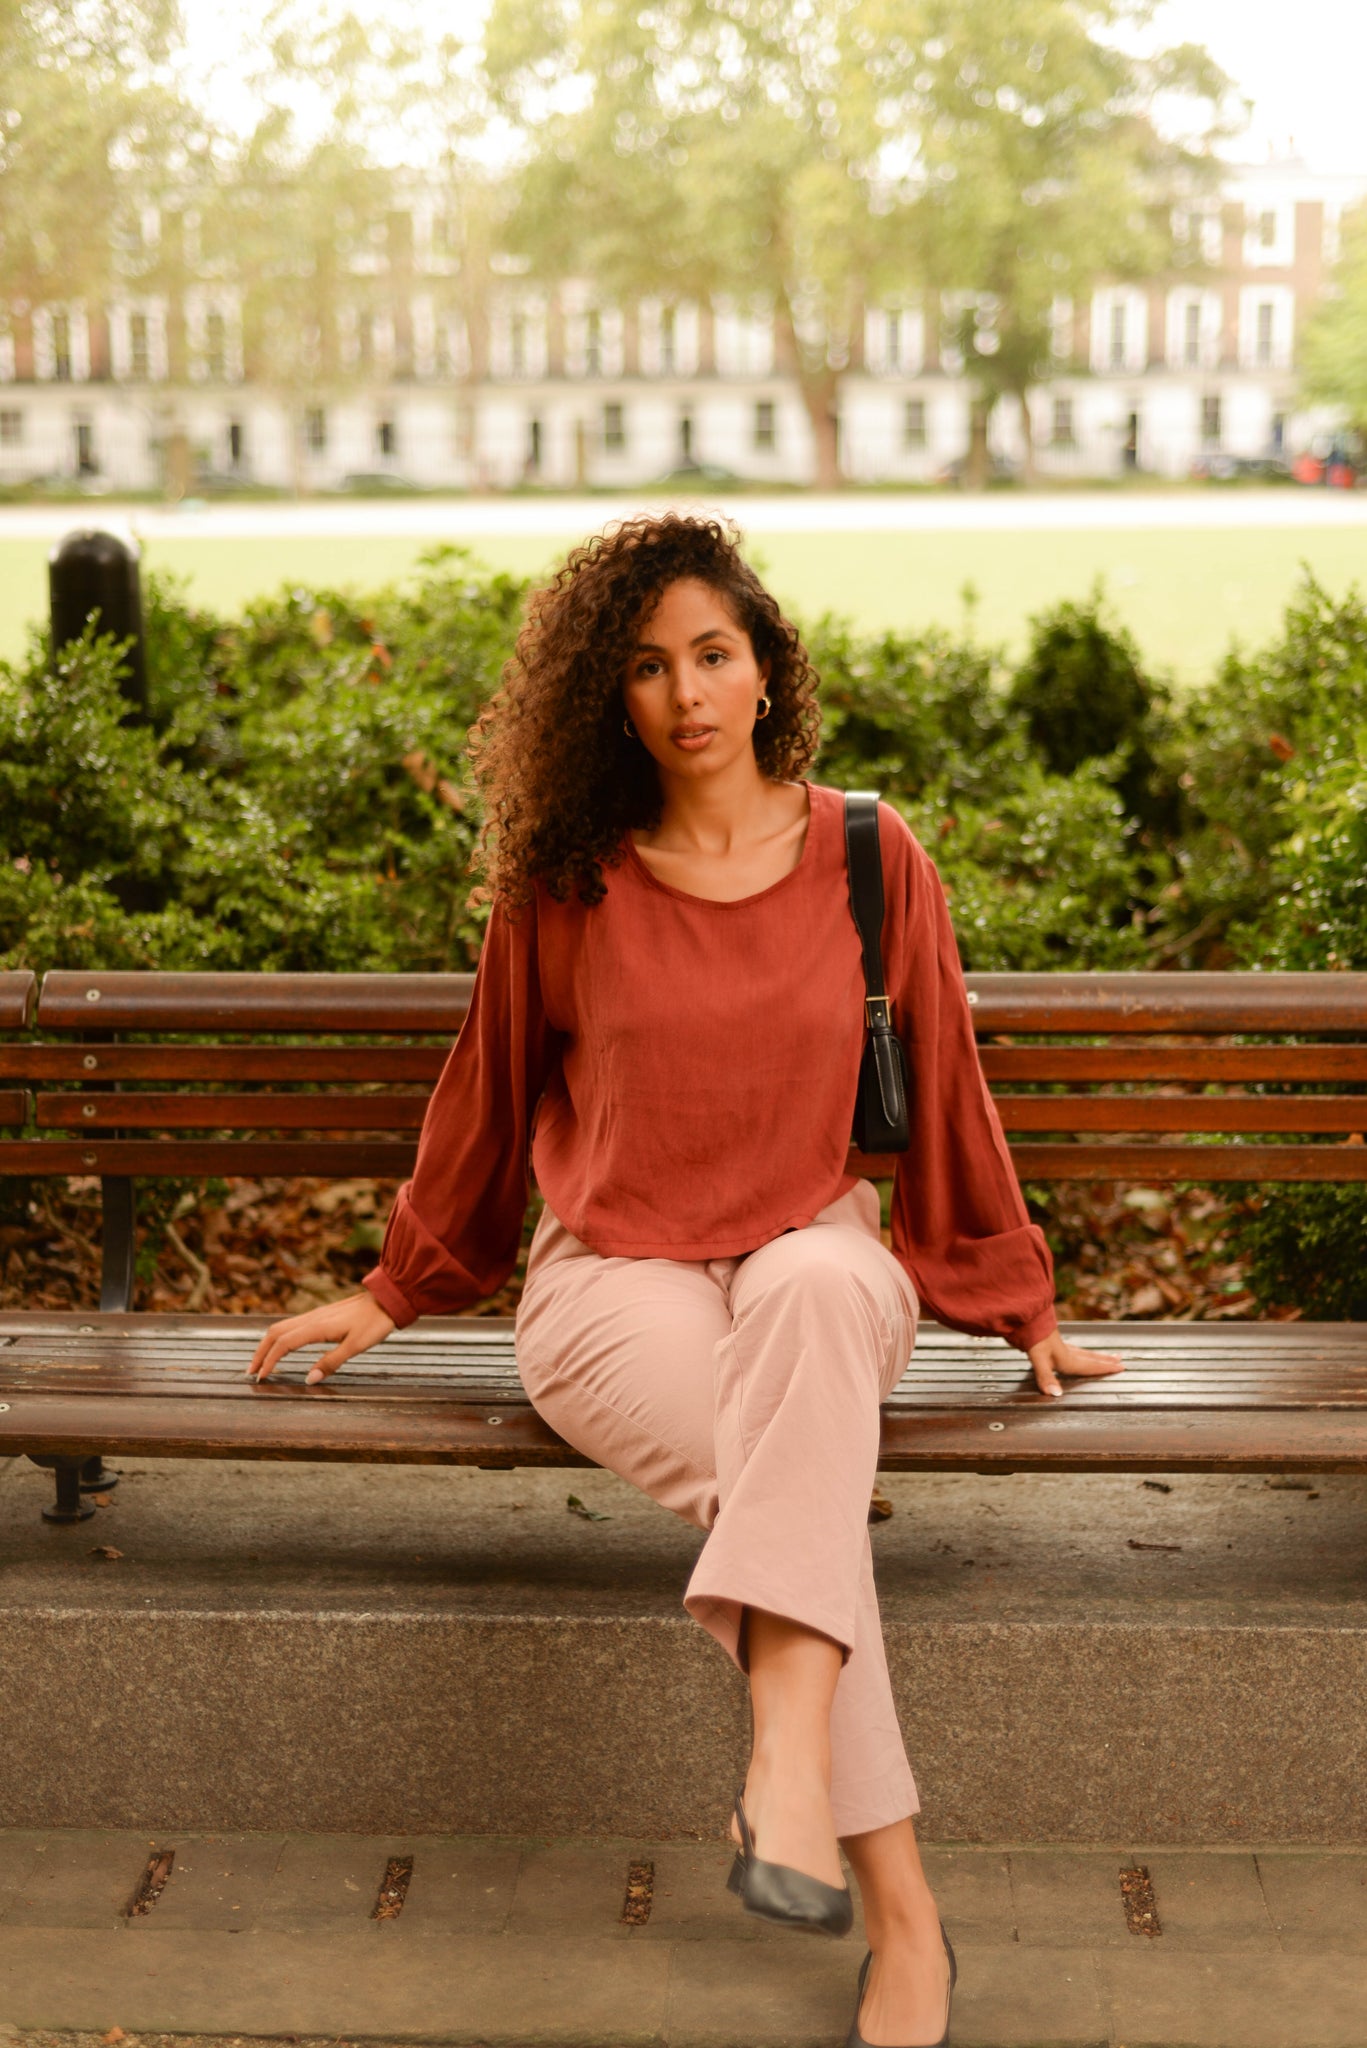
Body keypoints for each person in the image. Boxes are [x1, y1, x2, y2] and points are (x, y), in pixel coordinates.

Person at [249, 514, 1124, 2048]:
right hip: (614, 1278)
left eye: (713, 654)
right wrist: (396, 1286)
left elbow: (952, 1082)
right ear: (612, 697)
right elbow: (489, 1084)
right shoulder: (570, 881)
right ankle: (904, 1924)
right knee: (794, 1495)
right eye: (647, 668)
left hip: (817, 1257)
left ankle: (791, 1770)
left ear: (766, 666)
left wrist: (1021, 1305)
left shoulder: (868, 852)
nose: (687, 695)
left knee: (806, 1295)